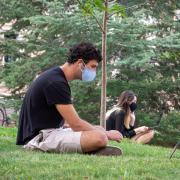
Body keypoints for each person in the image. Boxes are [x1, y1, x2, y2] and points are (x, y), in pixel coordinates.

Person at [16, 42, 123, 155]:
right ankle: (90, 149)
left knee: (99, 129)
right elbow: (76, 124)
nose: (94, 72)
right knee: (100, 137)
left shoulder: (56, 77)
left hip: (51, 132)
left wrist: (99, 130)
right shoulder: (56, 83)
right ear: (81, 63)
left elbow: (66, 122)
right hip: (39, 138)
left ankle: (89, 149)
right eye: (93, 67)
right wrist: (107, 134)